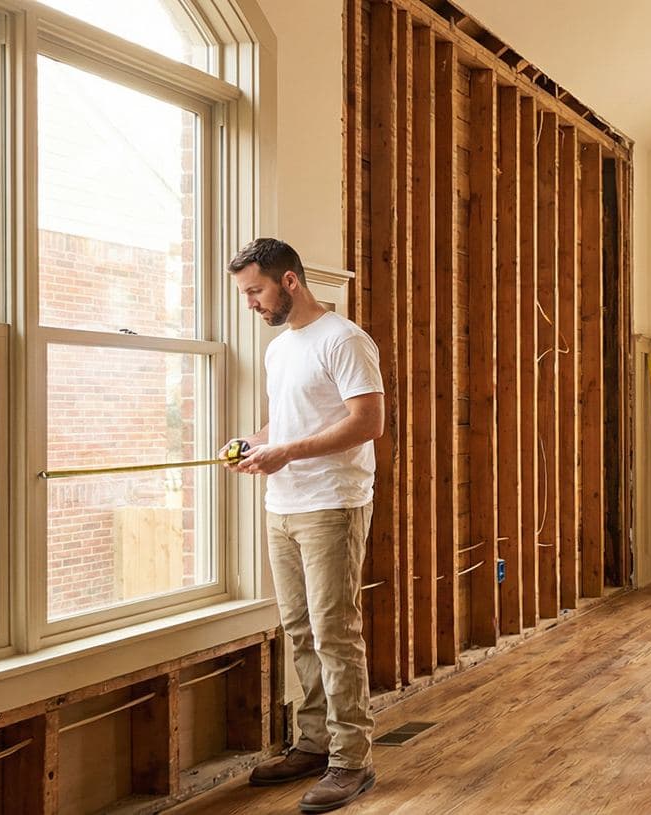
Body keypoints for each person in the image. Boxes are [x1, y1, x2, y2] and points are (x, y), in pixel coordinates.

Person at [225, 238, 385, 812]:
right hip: (282, 506)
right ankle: (314, 743)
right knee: (300, 629)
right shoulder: (280, 349)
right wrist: (256, 442)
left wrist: (287, 452)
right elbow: (288, 421)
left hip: (331, 504)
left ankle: (351, 760)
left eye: (256, 292)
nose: (251, 304)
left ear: (289, 281)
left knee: (334, 632)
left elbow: (368, 422)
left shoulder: (343, 339)